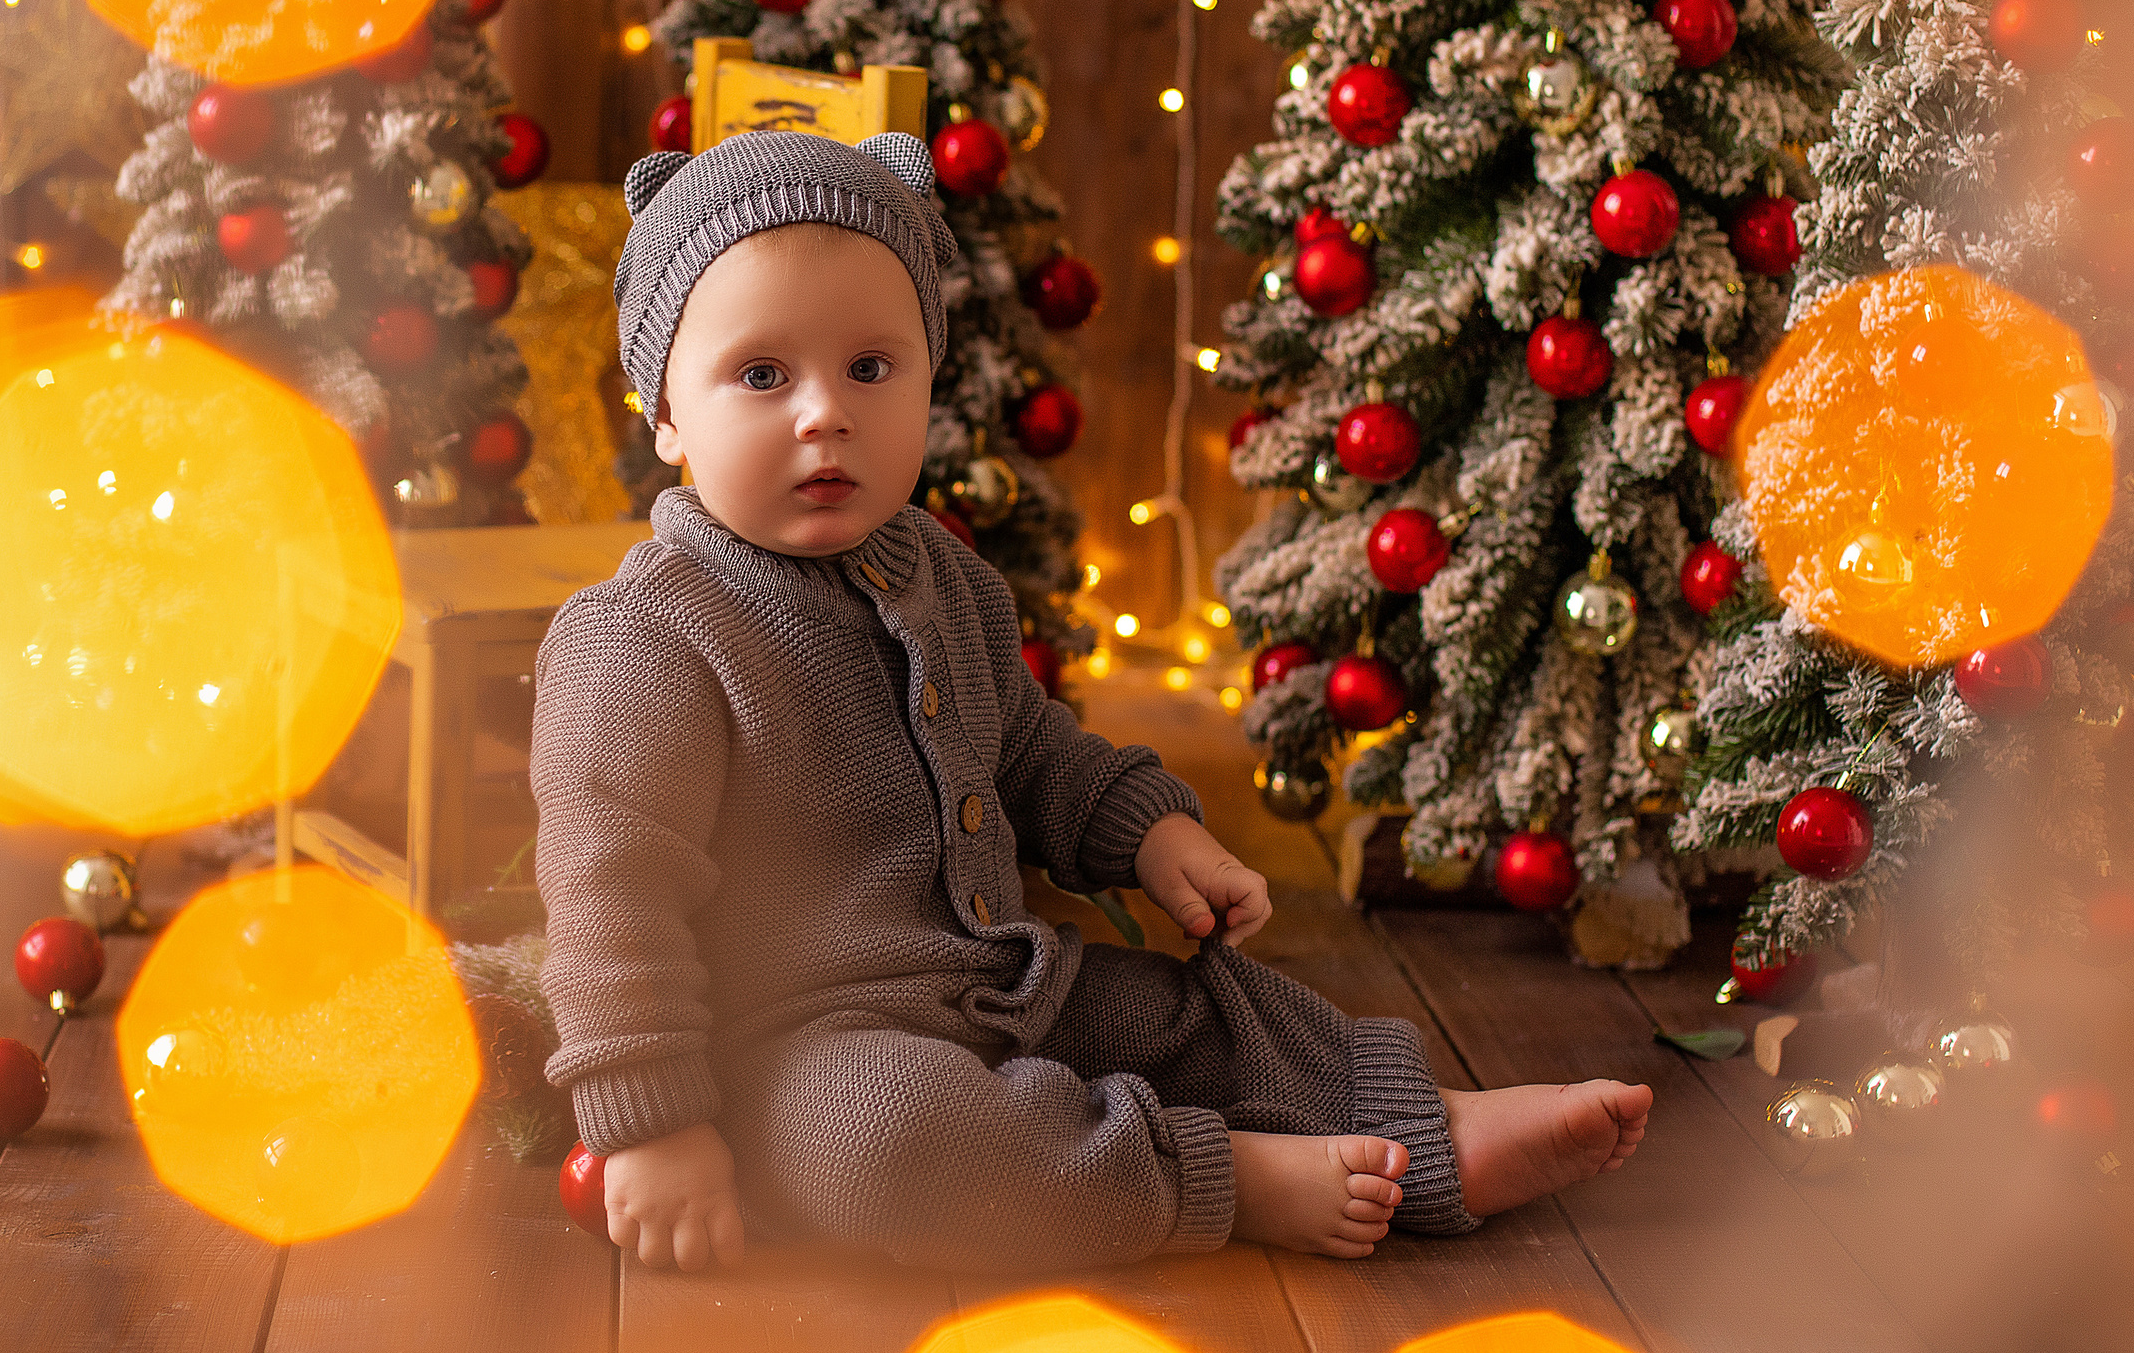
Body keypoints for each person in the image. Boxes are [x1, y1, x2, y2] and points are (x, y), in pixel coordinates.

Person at [532, 129, 1651, 1275]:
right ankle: (1216, 1178)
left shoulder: (941, 575)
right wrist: (653, 1126)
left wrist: (1146, 832)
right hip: (797, 1047)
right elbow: (609, 898)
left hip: (1002, 980)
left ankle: (1424, 1126)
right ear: (664, 413)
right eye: (763, 376)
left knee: (1190, 1013)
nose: (826, 413)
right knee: (887, 1146)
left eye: (871, 368)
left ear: (927, 377)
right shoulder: (645, 638)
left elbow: (1024, 749)